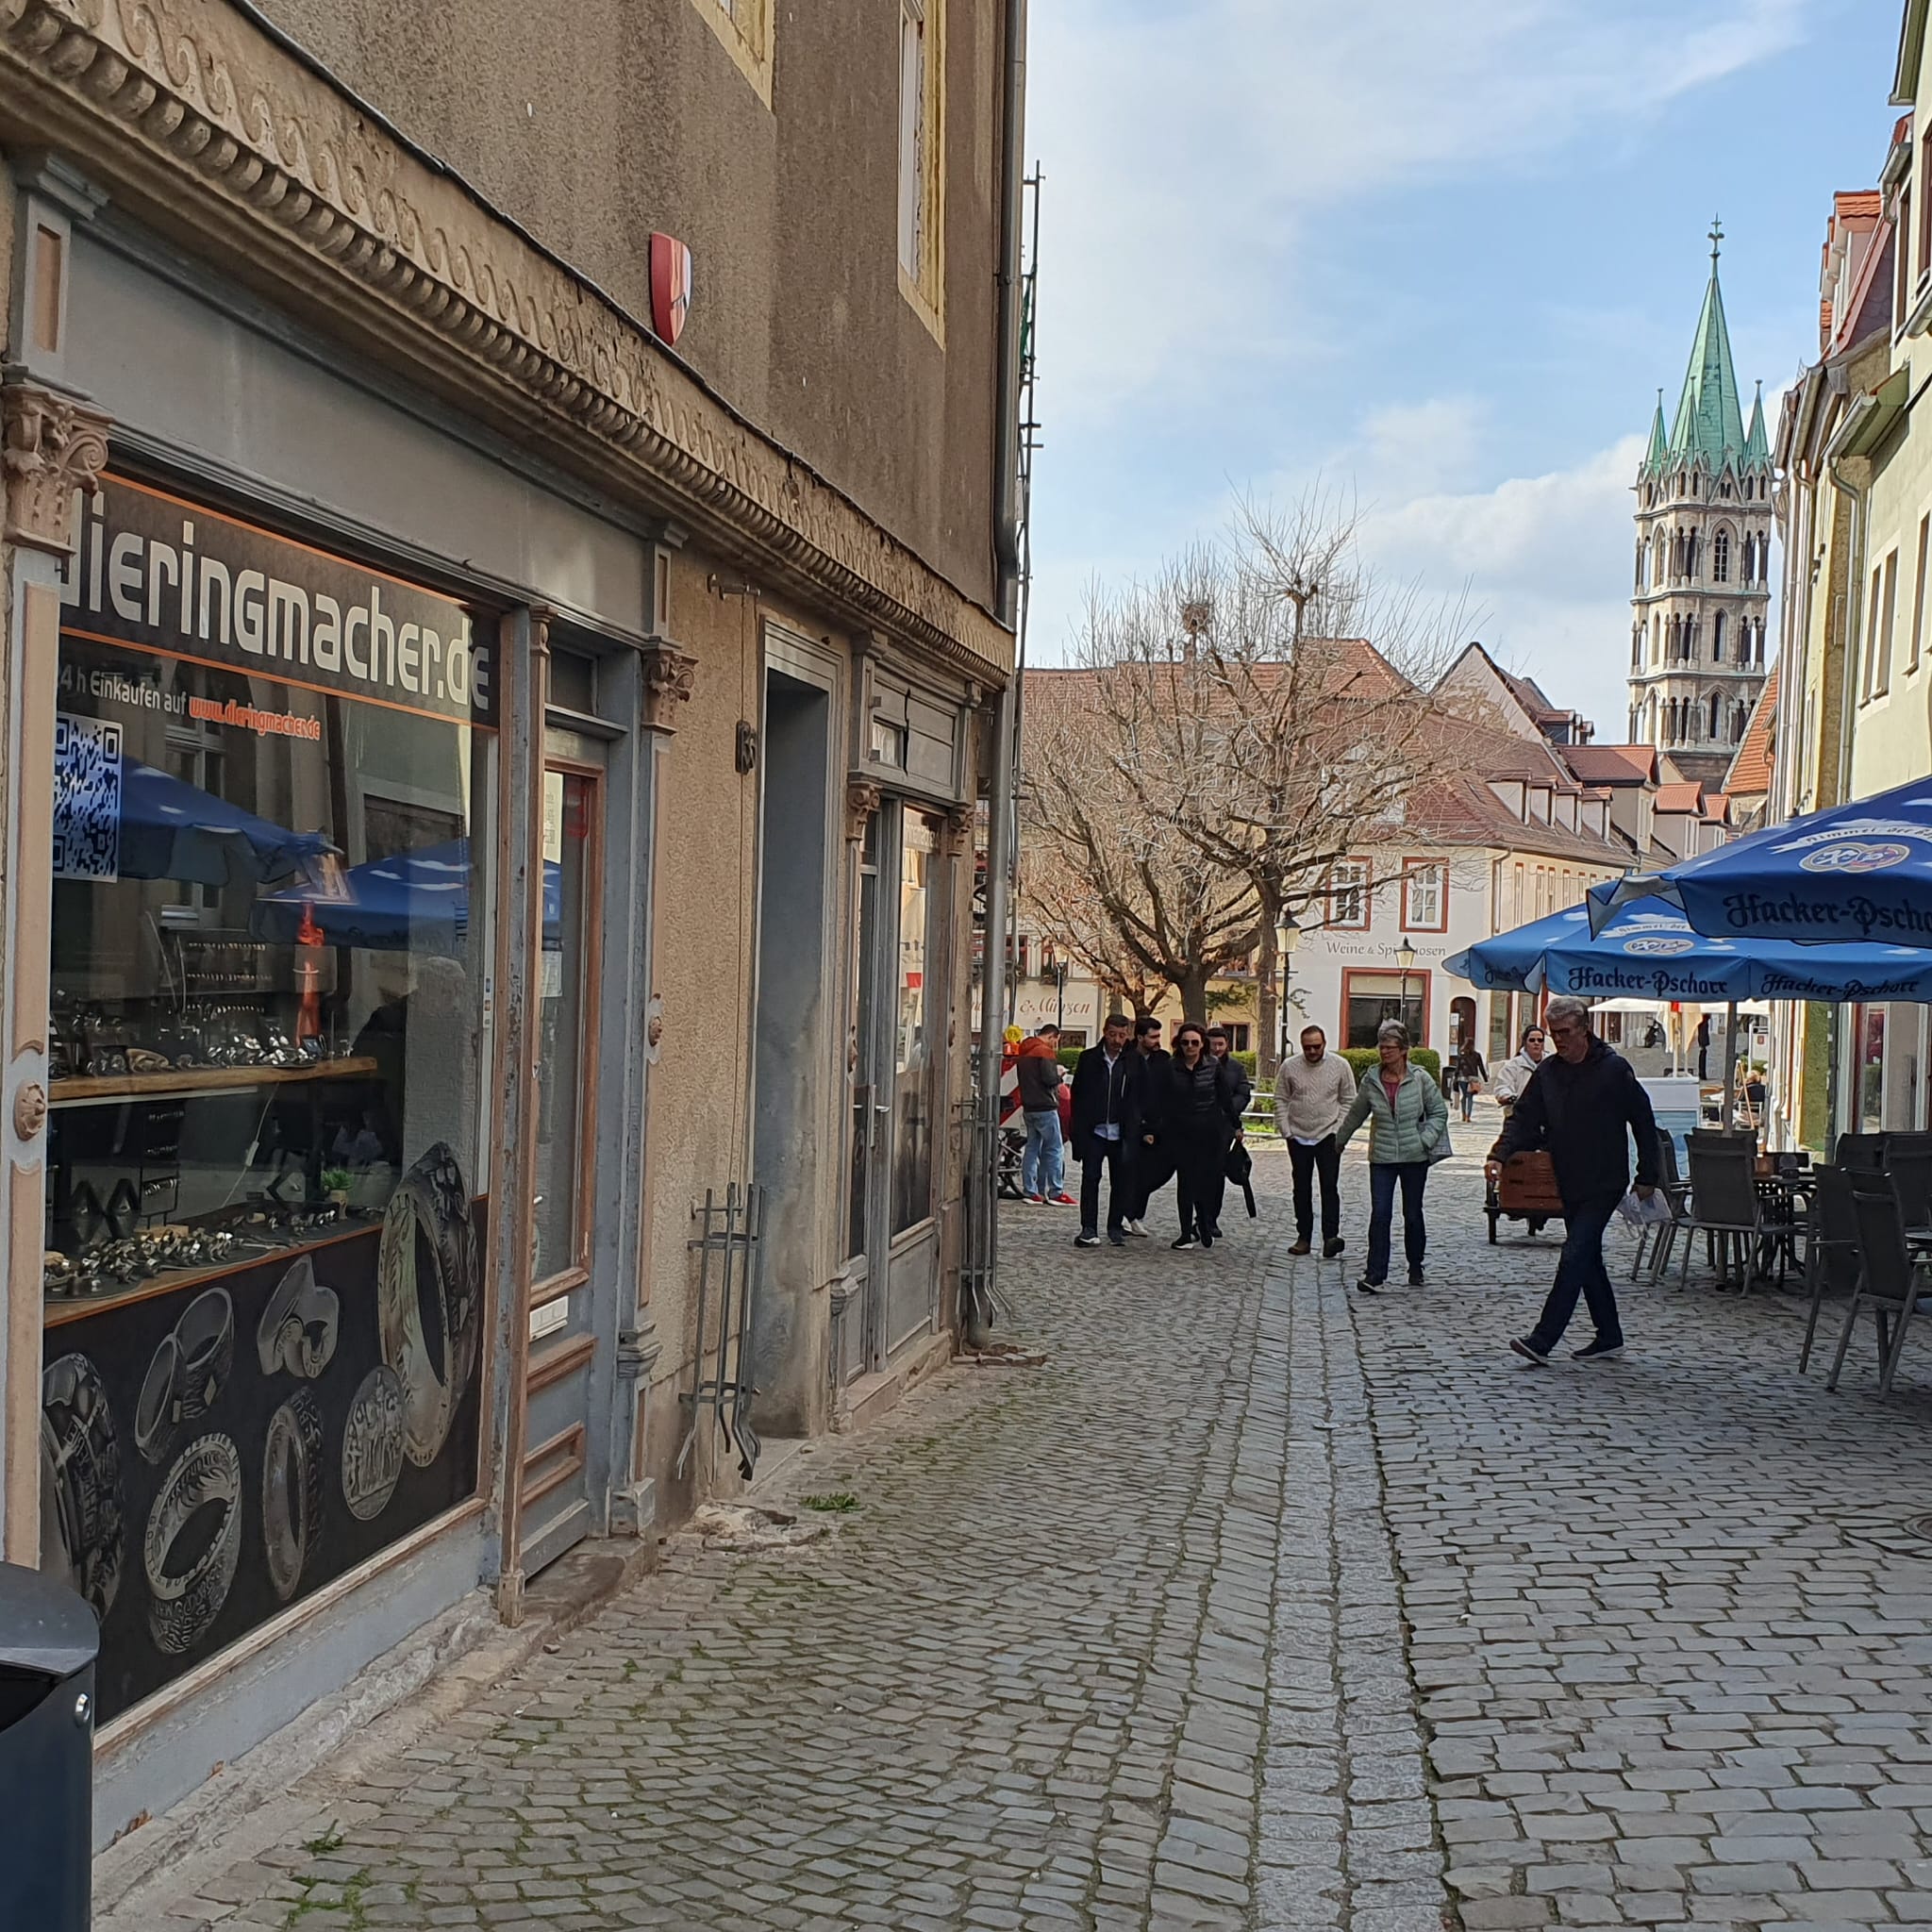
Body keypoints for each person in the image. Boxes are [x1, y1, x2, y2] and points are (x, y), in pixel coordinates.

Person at [1485, 995, 1660, 1366]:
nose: (1559, 1040)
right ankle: (1609, 1335)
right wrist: (1499, 1154)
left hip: (1605, 1180)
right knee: (1588, 1259)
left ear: (1585, 1029)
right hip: (1566, 1179)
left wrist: (1648, 1175)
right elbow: (1524, 1119)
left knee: (1575, 1254)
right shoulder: (1549, 1072)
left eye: (1565, 1032)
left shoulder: (1614, 1070)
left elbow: (1644, 1122)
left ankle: (1543, 1339)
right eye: (1554, 1034)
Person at [1336, 1020, 1450, 1294]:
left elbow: (1439, 1112)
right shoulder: (1372, 1080)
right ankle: (1375, 1272)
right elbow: (1356, 1114)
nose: (1384, 1052)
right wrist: (1338, 1142)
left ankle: (1415, 1263)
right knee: (1380, 1214)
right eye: (1381, 1047)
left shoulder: (1420, 1078)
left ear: (1403, 1050)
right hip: (1382, 1157)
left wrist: (1425, 1140)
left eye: (1390, 1047)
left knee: (1412, 1214)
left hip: (1415, 1157)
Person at [1150, 1023, 1241, 1250]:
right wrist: (1152, 1128)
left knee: (1207, 1180)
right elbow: (1158, 1101)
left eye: (1195, 1042)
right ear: (1178, 1044)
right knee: (1185, 1181)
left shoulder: (1212, 1066)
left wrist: (1236, 1125)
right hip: (1179, 1132)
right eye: (1185, 1042)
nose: (1190, 1047)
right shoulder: (1169, 1068)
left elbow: (1224, 1098)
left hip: (1209, 1131)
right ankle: (1184, 1232)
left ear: (1202, 1045)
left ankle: (1203, 1221)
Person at [1274, 1024, 1357, 1258]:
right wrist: (1286, 1130)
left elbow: (1349, 1099)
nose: (1312, 1052)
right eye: (1307, 1047)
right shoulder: (1290, 1066)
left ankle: (1330, 1236)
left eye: (1316, 1047)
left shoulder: (1340, 1066)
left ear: (1324, 1044)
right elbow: (1280, 1097)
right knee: (1301, 1187)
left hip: (1328, 1135)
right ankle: (1304, 1236)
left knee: (1329, 1186)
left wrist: (1338, 1130)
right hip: (1298, 1135)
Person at [1069, 1014, 1137, 1247]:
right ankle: (1088, 1227)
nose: (1117, 1040)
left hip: (1122, 1131)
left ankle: (1115, 1226)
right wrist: (1077, 1132)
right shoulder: (1089, 1059)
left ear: (1127, 1035)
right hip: (1095, 1130)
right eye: (1112, 1034)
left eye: (1121, 1035)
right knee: (1090, 1178)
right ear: (1104, 1032)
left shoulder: (1132, 1061)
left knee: (1121, 1181)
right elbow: (1077, 1096)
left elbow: (1141, 1096)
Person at [1123, 1016, 1173, 1236]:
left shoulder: (1162, 1059)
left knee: (1157, 1172)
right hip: (1132, 1123)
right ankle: (1128, 1216)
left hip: (1158, 1124)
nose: (1157, 1040)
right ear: (1140, 1037)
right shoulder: (1128, 1058)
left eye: (1158, 1036)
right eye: (1152, 1036)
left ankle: (1133, 1213)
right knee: (1130, 1172)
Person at [1014, 1024, 1074, 1206]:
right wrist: (1060, 1075)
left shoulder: (1024, 1050)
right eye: (1056, 1041)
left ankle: (1031, 1191)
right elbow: (1049, 1080)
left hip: (1029, 1107)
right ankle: (1056, 1192)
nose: (1055, 1045)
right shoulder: (1044, 1051)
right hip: (1045, 1106)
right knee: (1054, 1148)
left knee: (1032, 1149)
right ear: (1053, 1037)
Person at [1488, 1023, 1547, 1115]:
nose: (1536, 1043)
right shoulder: (1513, 1065)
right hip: (1518, 1115)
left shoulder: (1549, 1064)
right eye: (1532, 1040)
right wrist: (1508, 1097)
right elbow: (1502, 1086)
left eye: (1540, 1040)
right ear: (1525, 1042)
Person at [1206, 1027, 1252, 1117]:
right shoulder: (1196, 1065)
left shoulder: (1237, 1068)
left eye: (1220, 1044)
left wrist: (1227, 1110)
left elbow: (1243, 1094)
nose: (1217, 1048)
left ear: (1226, 1044)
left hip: (1227, 1121)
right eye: (1213, 1044)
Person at [1453, 1040, 1487, 1123]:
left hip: (1462, 1078)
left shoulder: (1461, 1055)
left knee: (1464, 1095)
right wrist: (1485, 1077)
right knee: (1470, 1096)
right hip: (1473, 1078)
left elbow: (1458, 1067)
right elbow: (1481, 1067)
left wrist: (1456, 1077)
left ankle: (1463, 1115)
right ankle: (1468, 1116)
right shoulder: (1477, 1055)